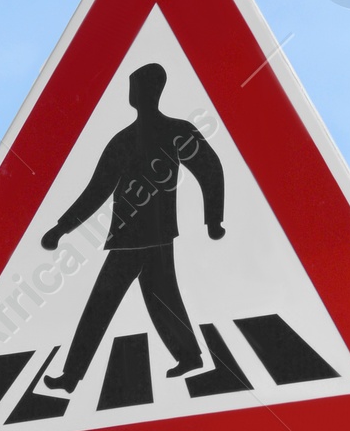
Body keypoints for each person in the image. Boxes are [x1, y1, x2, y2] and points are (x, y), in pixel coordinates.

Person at [39, 62, 225, 392]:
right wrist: (61, 228)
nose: (131, 92)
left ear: (141, 92)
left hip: (136, 239)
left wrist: (214, 219)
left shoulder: (174, 132)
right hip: (143, 237)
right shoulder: (125, 140)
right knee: (161, 297)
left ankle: (71, 377)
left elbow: (209, 170)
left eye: (133, 86)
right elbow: (97, 190)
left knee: (102, 303)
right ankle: (189, 356)